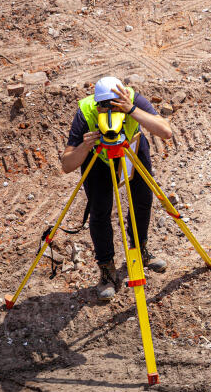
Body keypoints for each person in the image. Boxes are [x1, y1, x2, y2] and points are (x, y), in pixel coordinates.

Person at [60, 76, 172, 300]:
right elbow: (67, 164)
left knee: (142, 200)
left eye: (114, 105)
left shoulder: (132, 99)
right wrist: (85, 146)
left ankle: (140, 251)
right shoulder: (86, 111)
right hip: (98, 158)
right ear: (96, 103)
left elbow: (166, 132)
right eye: (104, 106)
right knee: (100, 211)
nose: (109, 111)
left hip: (131, 149)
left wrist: (131, 109)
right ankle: (106, 268)